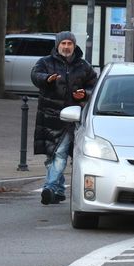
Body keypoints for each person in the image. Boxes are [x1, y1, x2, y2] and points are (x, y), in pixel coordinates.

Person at [31, 31, 97, 205]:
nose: (66, 47)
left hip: (72, 118)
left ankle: (50, 187)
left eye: (69, 43)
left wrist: (84, 94)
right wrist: (47, 79)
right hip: (50, 116)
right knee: (52, 155)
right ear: (57, 45)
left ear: (74, 46)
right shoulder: (45, 62)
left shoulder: (84, 66)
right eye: (63, 44)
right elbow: (35, 76)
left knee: (59, 154)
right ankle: (59, 191)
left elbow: (94, 86)